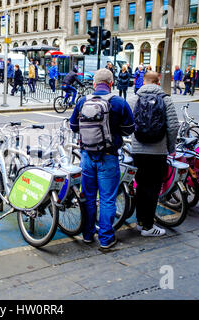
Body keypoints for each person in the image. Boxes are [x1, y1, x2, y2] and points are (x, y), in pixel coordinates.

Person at [69, 68, 135, 249]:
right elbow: (130, 128)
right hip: (108, 157)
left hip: (86, 156)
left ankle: (88, 235)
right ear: (111, 83)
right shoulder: (119, 102)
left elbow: (73, 125)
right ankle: (106, 239)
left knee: (88, 197)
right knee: (107, 199)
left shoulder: (83, 101)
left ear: (94, 84)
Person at [127, 71, 179, 237]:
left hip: (138, 151)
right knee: (153, 188)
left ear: (143, 82)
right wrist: (171, 148)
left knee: (140, 186)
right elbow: (173, 127)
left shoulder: (133, 99)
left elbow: (126, 125)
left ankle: (141, 223)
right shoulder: (166, 100)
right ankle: (149, 226)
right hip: (158, 152)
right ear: (157, 82)